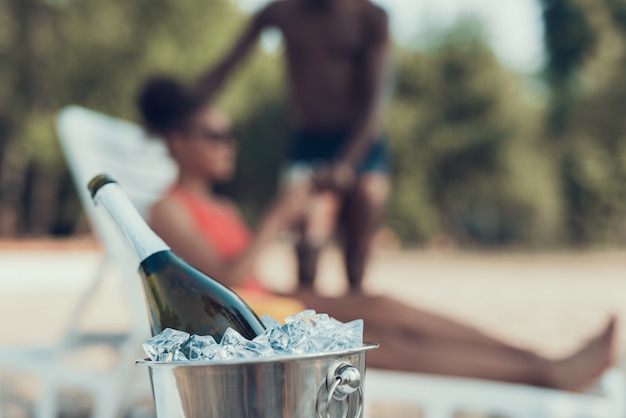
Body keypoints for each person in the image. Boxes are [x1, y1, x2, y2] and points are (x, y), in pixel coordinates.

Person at [138, 77, 616, 391]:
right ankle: (548, 373)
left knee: (383, 306)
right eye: (215, 136)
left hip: (272, 300)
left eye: (230, 134)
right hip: (252, 325)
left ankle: (542, 359)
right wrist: (276, 217)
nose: (228, 146)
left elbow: (248, 267)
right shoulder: (168, 208)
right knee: (386, 339)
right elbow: (223, 284)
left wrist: (301, 227)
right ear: (178, 142)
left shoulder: (218, 205)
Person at [195, 0, 391, 293]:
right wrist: (177, 109)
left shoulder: (370, 17)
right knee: (307, 253)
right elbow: (226, 67)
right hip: (307, 139)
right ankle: (309, 323)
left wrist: (347, 164)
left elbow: (374, 104)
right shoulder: (281, 12)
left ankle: (359, 310)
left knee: (363, 213)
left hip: (359, 140)